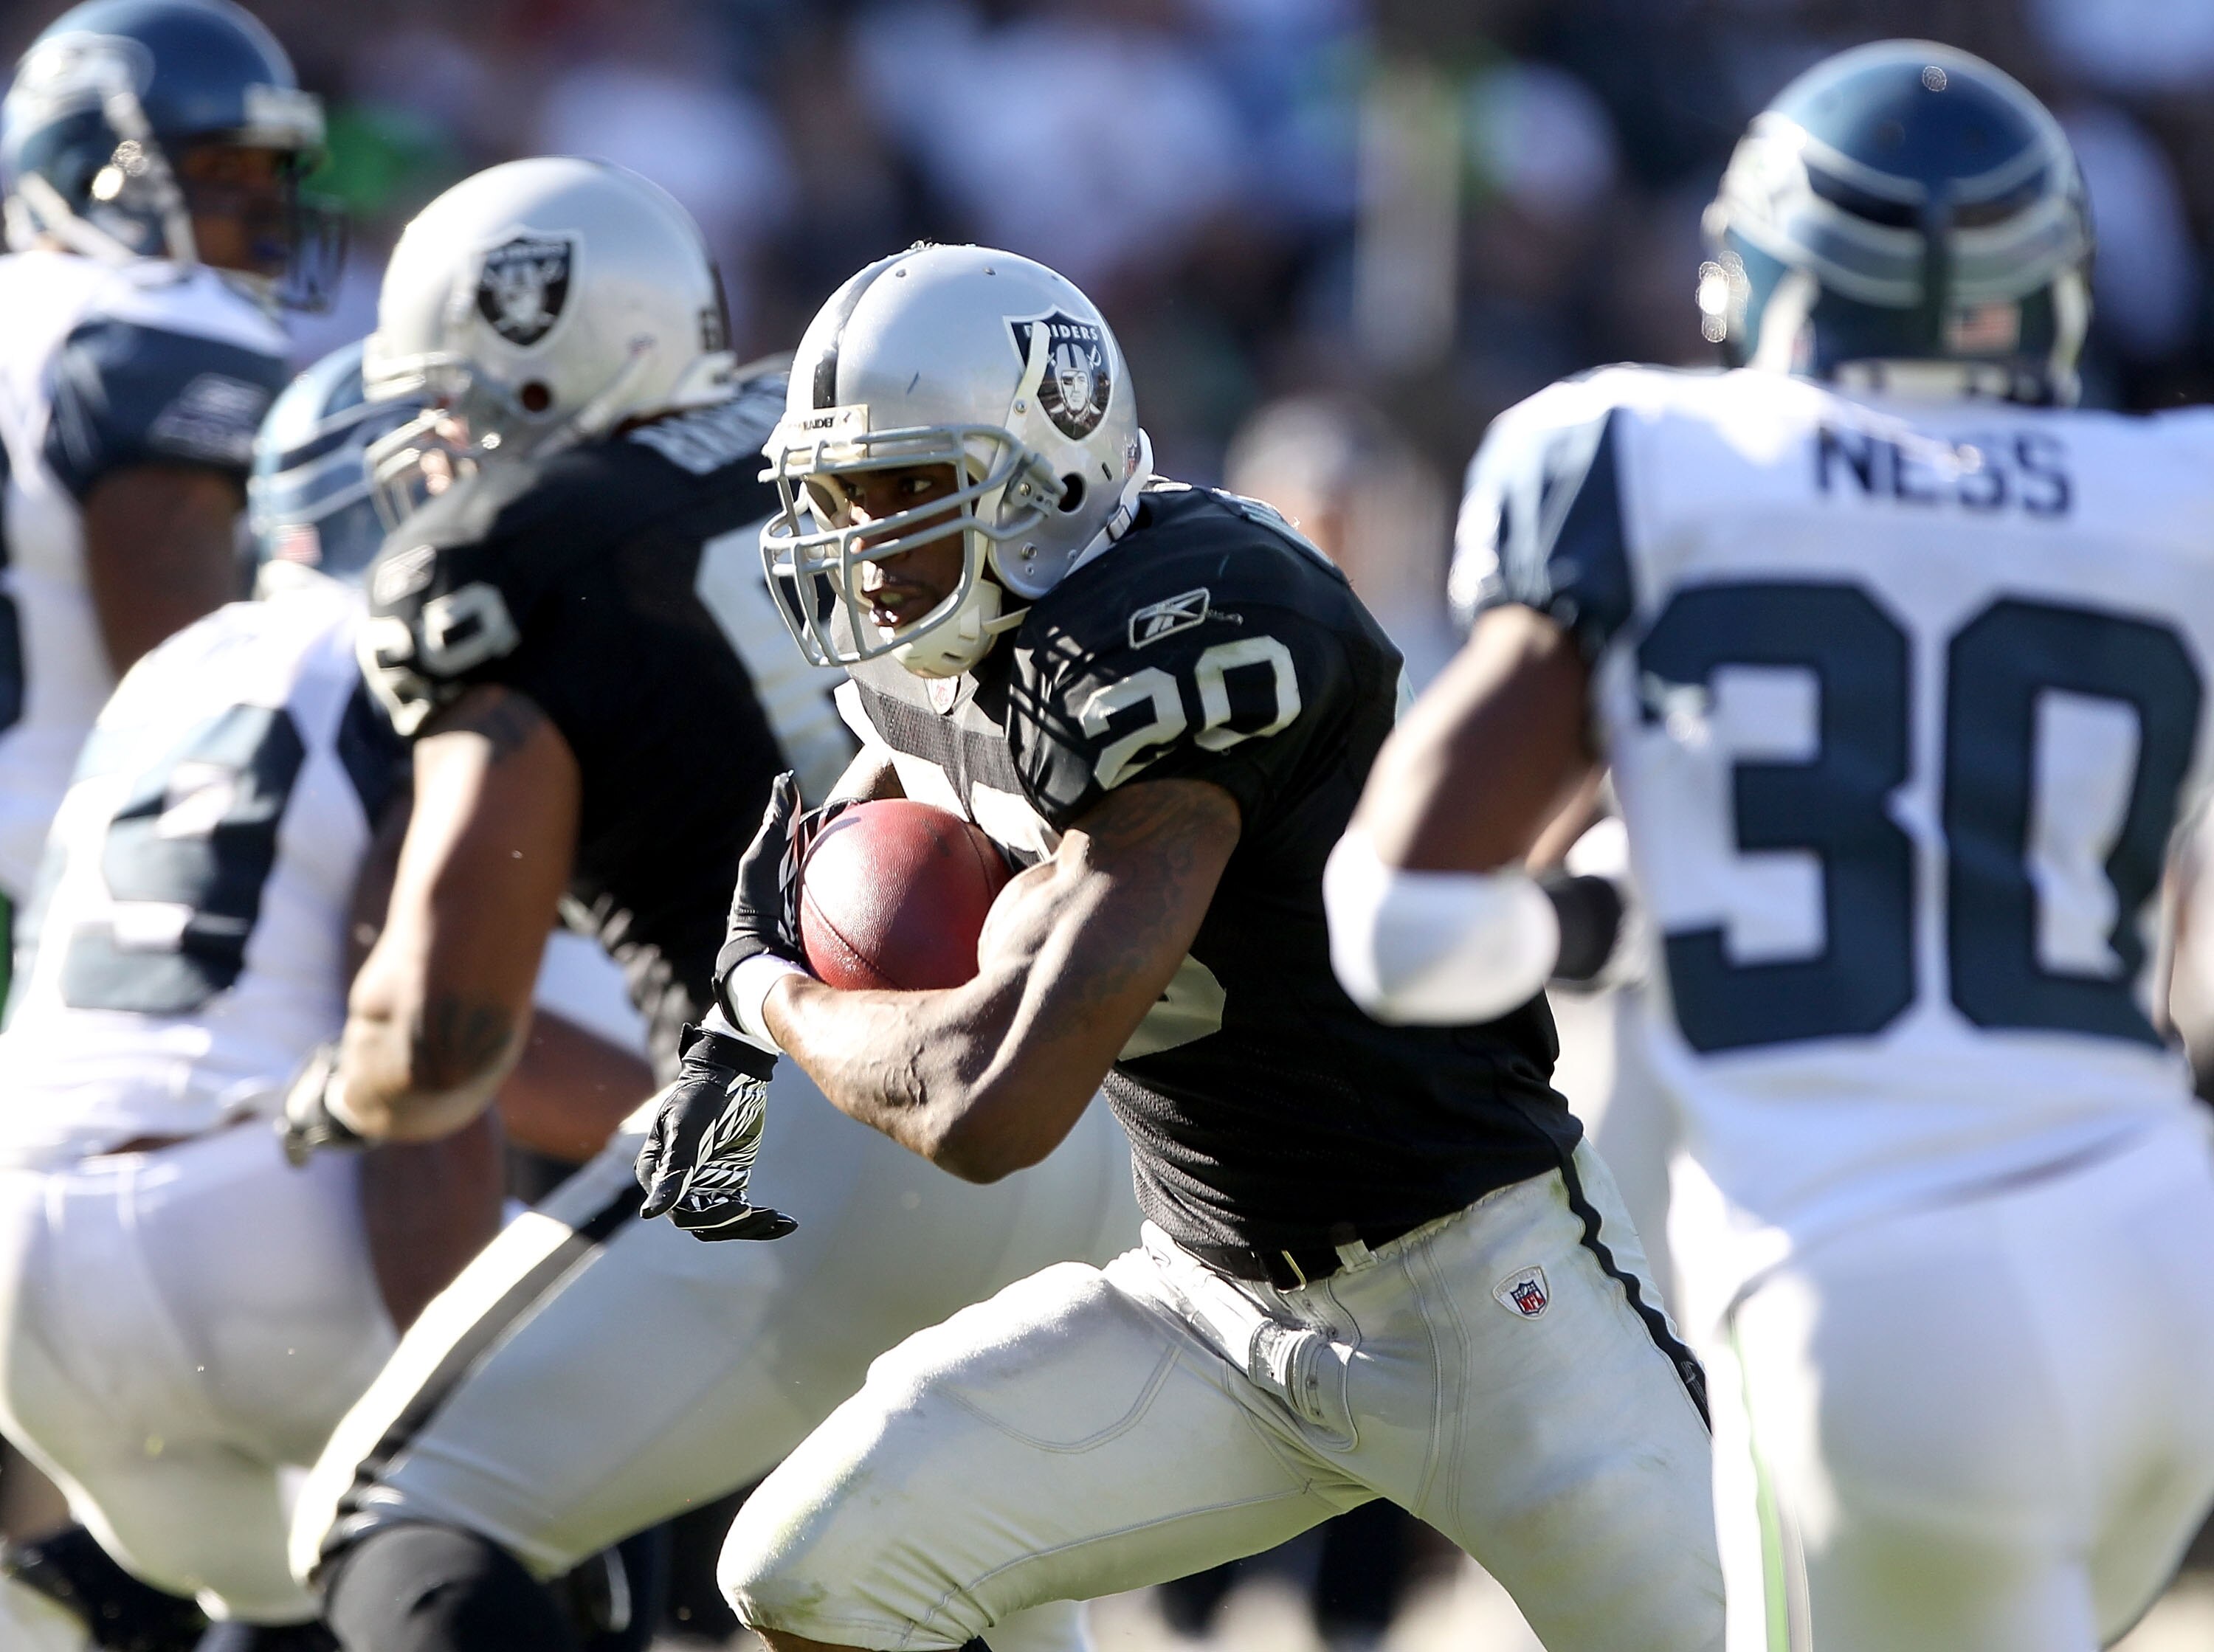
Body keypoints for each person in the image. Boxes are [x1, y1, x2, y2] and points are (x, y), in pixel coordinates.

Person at [651, 241, 1720, 1652]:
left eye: (907, 488)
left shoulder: (1187, 631)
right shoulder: (941, 647)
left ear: (1048, 463)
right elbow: (855, 837)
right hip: (1215, 1304)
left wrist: (764, 993)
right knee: (814, 1570)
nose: (864, 539)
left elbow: (991, 1104)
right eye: (842, 494)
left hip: (1487, 1297)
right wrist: (734, 1033)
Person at [1325, 41, 2214, 1652]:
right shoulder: (2177, 488)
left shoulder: (1649, 462)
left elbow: (1401, 924)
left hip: (1876, 1286)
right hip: (2165, 1254)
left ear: (1762, 274)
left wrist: (1608, 923)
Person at [277, 160, 1137, 1652]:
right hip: (1075, 1115)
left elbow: (446, 1036)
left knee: (397, 1512)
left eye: (452, 396)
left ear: (538, 368)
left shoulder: (519, 550)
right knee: (912, 1595)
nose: (433, 446)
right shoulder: (843, 441)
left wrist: (336, 1091)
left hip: (807, 1112)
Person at [0, 341, 535, 1652]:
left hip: (23, 1269)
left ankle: (102, 1597)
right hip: (267, 1231)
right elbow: (425, 1021)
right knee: (590, 1454)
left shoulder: (166, 680)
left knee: (287, 1597)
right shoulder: (423, 657)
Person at [0, 0, 337, 1001]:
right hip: (59, 899)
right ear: (91, 168)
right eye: (224, 170)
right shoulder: (161, 326)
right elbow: (186, 697)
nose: (265, 210)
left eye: (272, 176)